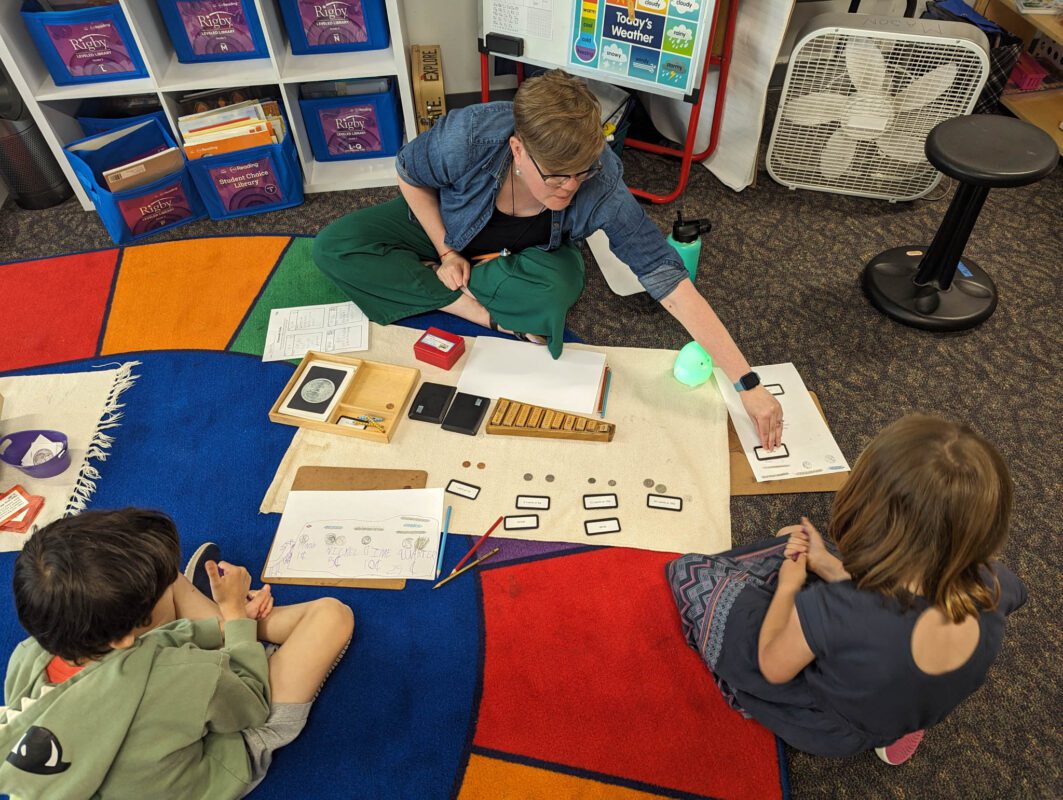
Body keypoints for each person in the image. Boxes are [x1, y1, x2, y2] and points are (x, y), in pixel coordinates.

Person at [313, 69, 784, 450]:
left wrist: (749, 383)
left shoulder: (601, 182)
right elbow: (410, 175)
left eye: (582, 172)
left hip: (536, 253)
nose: (570, 187)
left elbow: (667, 279)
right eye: (557, 176)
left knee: (555, 293)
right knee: (334, 247)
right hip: (446, 222)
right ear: (518, 149)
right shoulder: (469, 138)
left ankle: (450, 289)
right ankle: (468, 304)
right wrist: (446, 250)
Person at [666, 414, 1026, 764]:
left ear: (868, 512)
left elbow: (773, 666)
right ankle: (897, 722)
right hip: (898, 709)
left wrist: (789, 587)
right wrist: (824, 563)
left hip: (828, 728)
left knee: (691, 573)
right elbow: (901, 609)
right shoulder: (998, 585)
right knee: (806, 563)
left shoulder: (840, 609)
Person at [0, 509, 354, 799]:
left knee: (166, 577)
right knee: (332, 615)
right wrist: (233, 618)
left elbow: (142, 654)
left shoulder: (26, 655)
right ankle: (233, 616)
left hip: (153, 717)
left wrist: (228, 622)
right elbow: (251, 703)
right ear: (125, 637)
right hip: (217, 756)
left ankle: (228, 617)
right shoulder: (178, 674)